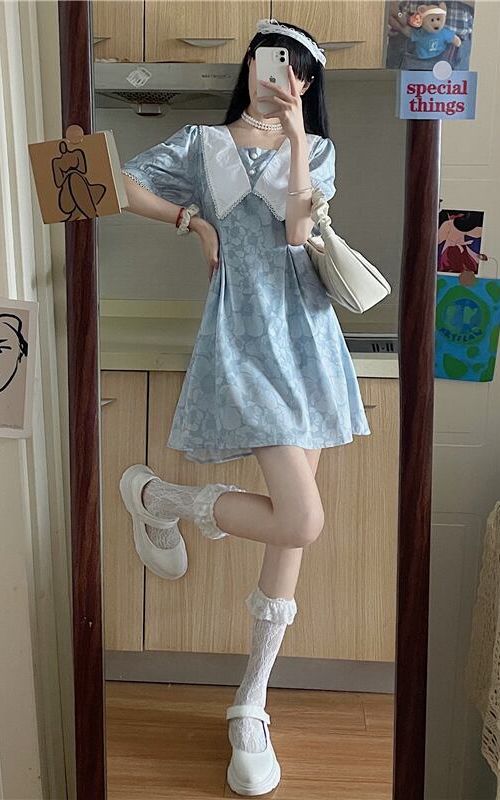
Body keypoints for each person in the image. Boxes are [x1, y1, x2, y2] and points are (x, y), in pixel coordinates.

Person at [117, 17, 370, 796]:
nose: (279, 74)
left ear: (308, 82)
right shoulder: (201, 145)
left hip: (308, 340)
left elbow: (297, 234)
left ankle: (250, 703)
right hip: (243, 337)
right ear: (251, 64)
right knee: (301, 519)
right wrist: (191, 220)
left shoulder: (315, 149)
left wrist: (294, 139)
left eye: (295, 67)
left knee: (289, 538)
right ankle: (160, 499)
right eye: (269, 59)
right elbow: (121, 183)